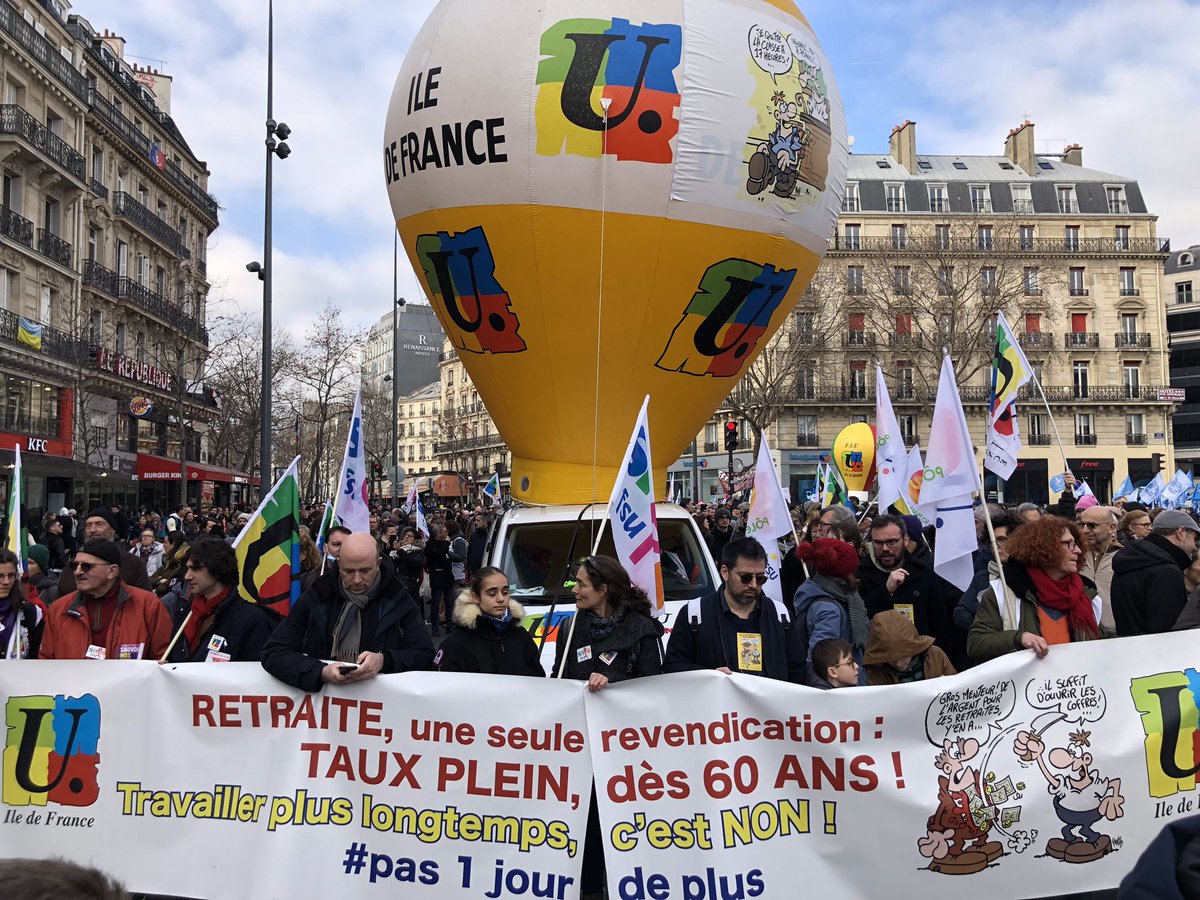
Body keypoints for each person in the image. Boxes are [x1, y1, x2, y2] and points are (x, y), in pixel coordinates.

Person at [552, 554, 663, 900]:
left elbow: (654, 692)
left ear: (603, 591)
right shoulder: (570, 629)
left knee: (620, 828)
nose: (575, 590)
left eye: (582, 584)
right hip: (581, 750)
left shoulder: (642, 631)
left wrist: (613, 684)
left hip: (626, 757)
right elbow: (560, 678)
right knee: (584, 831)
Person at [261, 532, 434, 691]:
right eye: (349, 571)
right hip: (325, 714)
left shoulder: (398, 599)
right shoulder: (318, 595)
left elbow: (424, 655)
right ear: (339, 563)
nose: (357, 579)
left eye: (365, 571)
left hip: (380, 714)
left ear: (378, 564)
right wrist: (321, 672)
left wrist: (384, 661)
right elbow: (274, 652)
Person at [663, 538, 805, 682]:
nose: (754, 585)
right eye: (746, 577)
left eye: (761, 578)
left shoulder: (781, 616)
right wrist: (709, 676)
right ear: (725, 572)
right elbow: (672, 667)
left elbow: (797, 672)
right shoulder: (694, 614)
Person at [967, 516, 1100, 664]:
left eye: (1075, 544)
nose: (1078, 550)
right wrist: (1018, 638)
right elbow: (975, 644)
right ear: (1044, 548)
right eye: (1068, 543)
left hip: (1074, 684)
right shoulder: (1004, 592)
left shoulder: (1087, 595)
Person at [40, 539, 172, 661]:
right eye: (74, 566)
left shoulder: (148, 606)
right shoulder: (58, 610)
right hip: (74, 685)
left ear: (112, 571)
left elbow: (163, 659)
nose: (77, 572)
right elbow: (47, 663)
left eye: (86, 566)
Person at [858, 514, 954, 659]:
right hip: (878, 662)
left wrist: (936, 660)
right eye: (878, 543)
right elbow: (859, 618)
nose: (884, 548)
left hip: (920, 659)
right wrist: (886, 591)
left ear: (905, 539)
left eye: (891, 542)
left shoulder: (923, 573)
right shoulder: (861, 573)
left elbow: (939, 623)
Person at [167, 538, 277, 662]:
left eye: (196, 569)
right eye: (188, 569)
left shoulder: (251, 618)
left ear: (217, 569)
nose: (187, 576)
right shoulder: (186, 612)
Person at [435, 566, 544, 676]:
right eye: (492, 594)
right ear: (475, 597)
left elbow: (538, 679)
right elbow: (444, 686)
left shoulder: (521, 635)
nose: (501, 598)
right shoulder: (455, 644)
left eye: (505, 592)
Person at [792, 538, 869, 687]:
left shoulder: (833, 596)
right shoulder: (829, 609)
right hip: (839, 693)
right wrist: (823, 693)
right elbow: (819, 657)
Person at [1111, 509, 1198, 637]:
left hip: (1128, 648)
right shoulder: (1166, 570)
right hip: (1156, 652)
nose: (1195, 546)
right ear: (1181, 533)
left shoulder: (1131, 559)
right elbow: (1168, 630)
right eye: (1194, 539)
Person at [953, 510, 1021, 644]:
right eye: (992, 541)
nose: (996, 546)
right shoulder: (982, 577)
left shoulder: (1032, 575)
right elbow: (960, 612)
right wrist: (985, 630)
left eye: (1002, 540)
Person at [57, 507, 152, 596]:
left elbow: (145, 604)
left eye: (99, 524)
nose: (92, 530)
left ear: (112, 530)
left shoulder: (133, 564)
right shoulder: (72, 566)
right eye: (88, 525)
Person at [862, 610, 955, 685]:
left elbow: (958, 690)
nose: (898, 664)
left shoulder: (935, 655)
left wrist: (948, 685)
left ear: (913, 647)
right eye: (891, 659)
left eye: (903, 656)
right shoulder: (877, 673)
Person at [1077, 504, 1121, 636]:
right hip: (1083, 634)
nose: (1085, 530)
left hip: (1116, 634)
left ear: (1111, 527)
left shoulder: (1124, 557)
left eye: (1092, 525)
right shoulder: (1074, 557)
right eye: (1082, 525)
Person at [0, 548, 43, 659]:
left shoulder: (31, 612)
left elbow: (37, 657)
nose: (6, 581)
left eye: (11, 575)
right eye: (0, 576)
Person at [425, 523, 455, 634]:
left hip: (447, 576)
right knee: (436, 603)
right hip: (437, 576)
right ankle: (435, 627)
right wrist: (447, 542)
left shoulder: (444, 544)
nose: (447, 534)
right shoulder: (430, 545)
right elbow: (439, 553)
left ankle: (449, 624)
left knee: (449, 602)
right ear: (438, 534)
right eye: (445, 532)